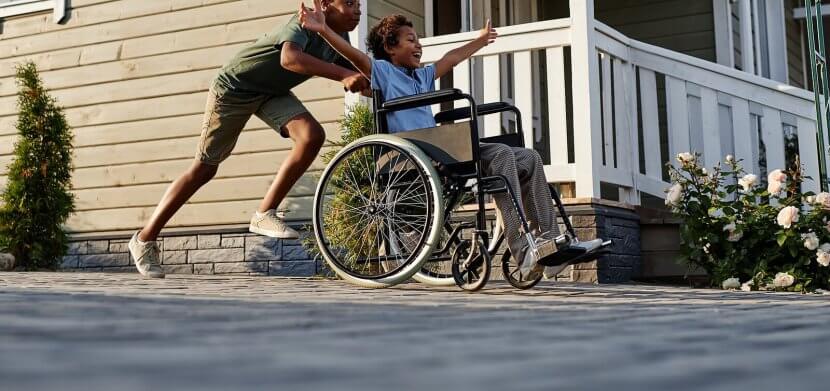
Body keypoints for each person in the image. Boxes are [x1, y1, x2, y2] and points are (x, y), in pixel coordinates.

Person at [300, 2, 600, 277]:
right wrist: (323, 28)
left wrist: (481, 40)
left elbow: (452, 58)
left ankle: (549, 244)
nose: (418, 45)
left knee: (529, 157)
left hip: (444, 148)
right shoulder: (383, 72)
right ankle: (524, 252)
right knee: (504, 157)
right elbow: (353, 55)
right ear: (391, 48)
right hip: (417, 151)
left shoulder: (422, 77)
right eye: (410, 40)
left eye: (417, 39)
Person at [128, 0, 369, 278]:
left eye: (358, 4)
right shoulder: (302, 24)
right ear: (325, 5)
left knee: (312, 136)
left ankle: (264, 213)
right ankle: (144, 239)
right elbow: (289, 58)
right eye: (349, 3)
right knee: (204, 169)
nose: (357, 10)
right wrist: (343, 74)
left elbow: (360, 76)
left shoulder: (338, 39)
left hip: (271, 92)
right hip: (235, 88)